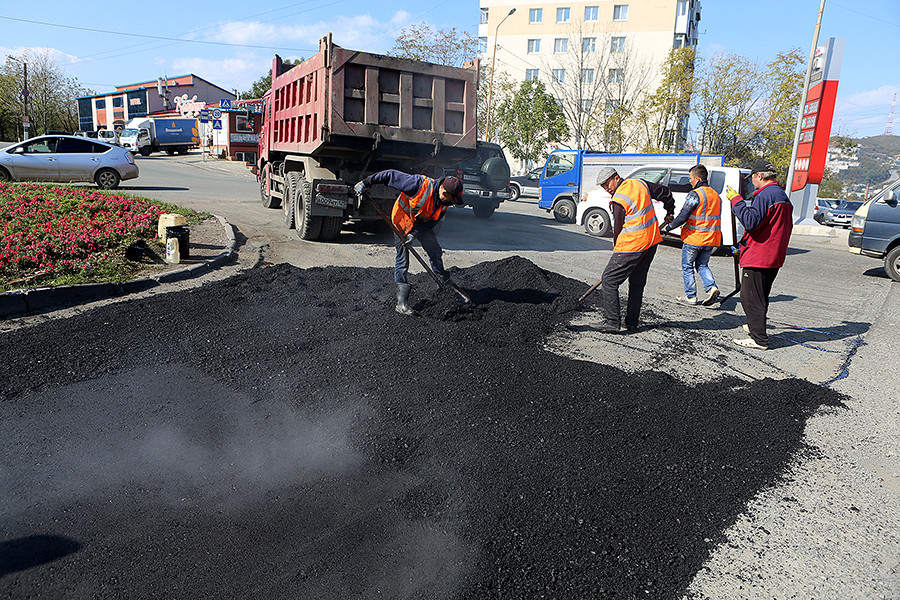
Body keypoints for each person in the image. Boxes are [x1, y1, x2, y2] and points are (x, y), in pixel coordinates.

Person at [354, 170, 463, 315]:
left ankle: (443, 282)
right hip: (402, 222)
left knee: (435, 250)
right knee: (403, 259)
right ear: (444, 191)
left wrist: (414, 234)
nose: (451, 203)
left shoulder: (445, 202)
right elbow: (390, 175)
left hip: (420, 225)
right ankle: (401, 303)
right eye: (451, 199)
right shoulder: (418, 185)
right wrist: (366, 182)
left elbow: (432, 222)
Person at [594, 166, 675, 333]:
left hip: (633, 245)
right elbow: (665, 192)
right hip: (651, 243)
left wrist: (617, 253)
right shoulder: (640, 184)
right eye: (603, 186)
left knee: (609, 280)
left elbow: (618, 231)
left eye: (607, 184)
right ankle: (631, 322)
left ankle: (611, 321)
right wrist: (670, 211)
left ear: (616, 177)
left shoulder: (619, 200)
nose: (607, 189)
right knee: (637, 283)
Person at [725, 159, 793, 350]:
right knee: (761, 295)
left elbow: (751, 221)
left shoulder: (765, 195)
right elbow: (767, 228)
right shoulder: (780, 195)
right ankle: (756, 327)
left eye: (753, 177)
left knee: (750, 297)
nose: (752, 181)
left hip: (760, 256)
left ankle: (759, 339)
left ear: (760, 176)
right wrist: (743, 244)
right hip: (772, 254)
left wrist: (736, 201)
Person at [661, 164, 722, 306]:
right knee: (702, 265)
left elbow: (684, 215)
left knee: (687, 266)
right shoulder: (715, 195)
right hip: (711, 238)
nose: (690, 182)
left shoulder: (695, 194)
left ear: (698, 178)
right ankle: (711, 287)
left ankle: (691, 296)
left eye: (691, 178)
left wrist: (669, 227)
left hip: (695, 238)